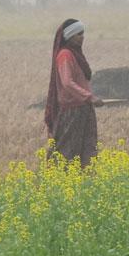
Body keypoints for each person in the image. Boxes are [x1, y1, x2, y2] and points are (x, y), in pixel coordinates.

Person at [44, 18, 103, 165]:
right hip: (72, 111)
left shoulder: (75, 54)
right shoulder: (65, 55)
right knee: (67, 151)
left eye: (82, 33)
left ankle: (83, 181)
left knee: (86, 149)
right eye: (78, 34)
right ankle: (61, 181)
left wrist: (88, 100)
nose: (82, 37)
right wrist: (89, 97)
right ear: (69, 36)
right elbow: (67, 83)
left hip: (83, 108)